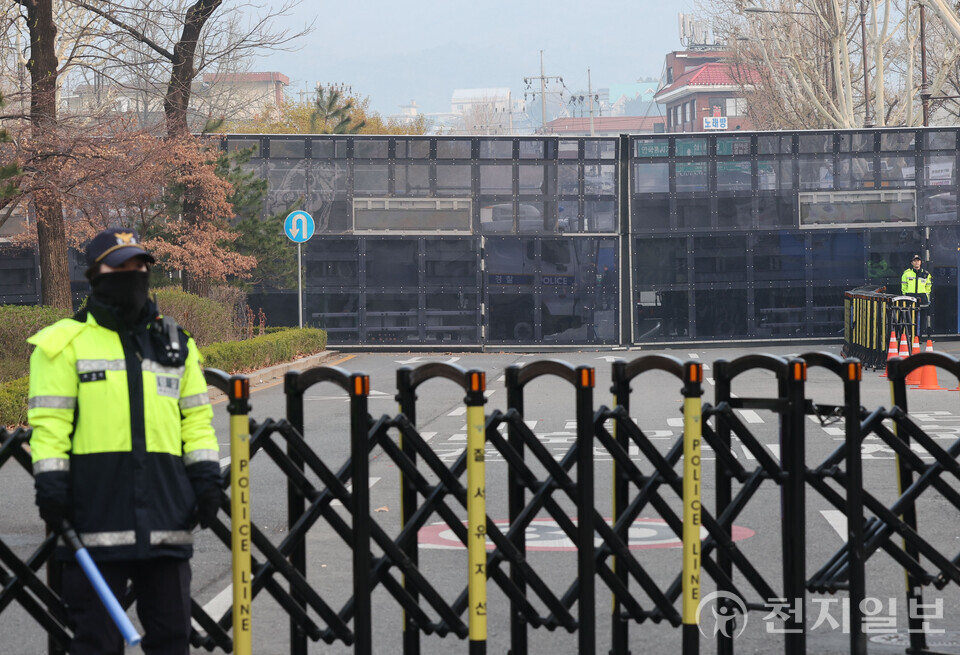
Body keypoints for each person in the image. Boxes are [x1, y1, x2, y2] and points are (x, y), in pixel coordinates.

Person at [27, 228, 221, 655]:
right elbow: (50, 426)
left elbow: (196, 421)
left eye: (140, 266)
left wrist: (207, 480)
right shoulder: (63, 344)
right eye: (121, 267)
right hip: (91, 517)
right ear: (95, 275)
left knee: (172, 640)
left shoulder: (176, 343)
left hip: (166, 516)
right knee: (97, 643)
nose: (133, 274)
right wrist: (52, 488)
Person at [901, 253, 932, 337]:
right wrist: (906, 296)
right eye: (914, 261)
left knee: (921, 319)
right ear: (912, 263)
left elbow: (928, 287)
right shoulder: (906, 274)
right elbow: (904, 287)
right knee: (910, 318)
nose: (916, 262)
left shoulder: (926, 274)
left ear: (921, 262)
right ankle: (911, 336)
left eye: (918, 260)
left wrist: (926, 297)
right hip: (910, 298)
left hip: (922, 299)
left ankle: (919, 337)